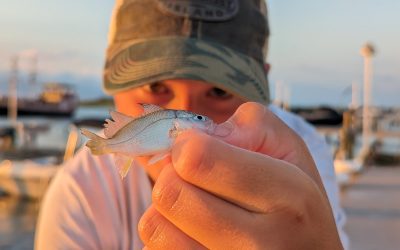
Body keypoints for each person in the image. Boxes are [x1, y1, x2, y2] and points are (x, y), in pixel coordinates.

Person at [35, 0, 348, 249]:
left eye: (219, 91)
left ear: (262, 84)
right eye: (155, 86)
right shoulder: (79, 192)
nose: (185, 114)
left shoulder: (300, 157)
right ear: (111, 79)